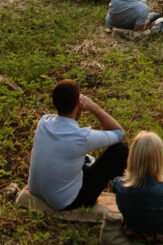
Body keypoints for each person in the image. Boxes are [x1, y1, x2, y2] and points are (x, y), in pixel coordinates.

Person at [27, 81, 127, 211]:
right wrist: (95, 108)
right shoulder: (81, 137)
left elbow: (65, 135)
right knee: (120, 150)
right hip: (66, 201)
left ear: (53, 103)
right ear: (79, 103)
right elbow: (119, 133)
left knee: (81, 160)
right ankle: (128, 193)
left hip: (35, 189)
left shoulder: (43, 122)